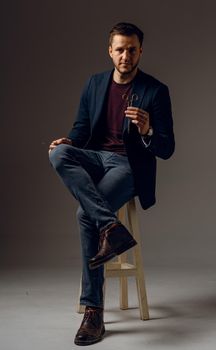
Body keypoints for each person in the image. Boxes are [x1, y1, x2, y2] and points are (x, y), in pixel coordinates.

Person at [49, 22, 175, 346]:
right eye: (119, 49)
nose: (125, 55)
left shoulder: (155, 91)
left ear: (140, 51)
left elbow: (168, 148)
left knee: (83, 216)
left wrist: (147, 131)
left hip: (128, 166)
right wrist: (70, 140)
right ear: (110, 51)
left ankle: (94, 313)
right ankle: (111, 229)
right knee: (59, 153)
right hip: (95, 156)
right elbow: (80, 129)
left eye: (132, 49)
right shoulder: (94, 84)